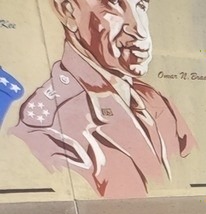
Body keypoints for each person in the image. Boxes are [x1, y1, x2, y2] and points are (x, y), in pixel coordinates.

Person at [11, 0, 195, 198]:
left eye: (141, 5)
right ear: (69, 11)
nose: (140, 31)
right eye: (113, 4)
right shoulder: (48, 131)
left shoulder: (156, 102)